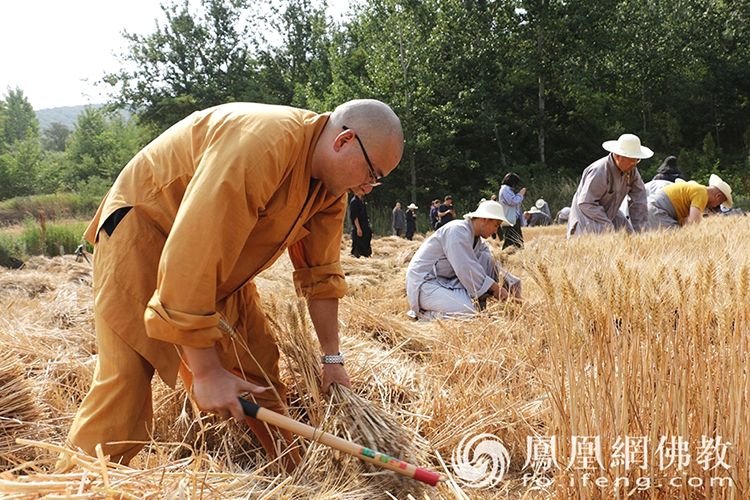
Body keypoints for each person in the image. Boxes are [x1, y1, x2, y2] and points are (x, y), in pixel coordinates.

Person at [57, 99, 404, 472]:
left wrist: (332, 359)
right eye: (372, 173)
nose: (368, 188)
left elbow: (321, 276)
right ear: (344, 141)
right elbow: (194, 250)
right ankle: (76, 484)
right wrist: (205, 371)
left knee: (257, 364)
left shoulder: (329, 190)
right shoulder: (263, 144)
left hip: (222, 265)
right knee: (125, 388)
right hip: (144, 237)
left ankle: (294, 472)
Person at [406, 200, 521, 321]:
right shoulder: (457, 231)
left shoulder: (477, 241)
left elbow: (492, 265)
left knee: (485, 259)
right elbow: (466, 267)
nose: (496, 231)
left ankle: (445, 310)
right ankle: (425, 317)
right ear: (485, 219)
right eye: (496, 225)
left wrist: (513, 290)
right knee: (469, 311)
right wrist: (495, 288)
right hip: (426, 283)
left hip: (445, 282)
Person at [567, 134, 652, 238]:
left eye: (637, 159)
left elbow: (639, 203)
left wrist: (643, 234)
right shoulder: (599, 171)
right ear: (617, 156)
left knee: (629, 237)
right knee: (602, 240)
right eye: (631, 159)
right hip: (587, 217)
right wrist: (607, 226)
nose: (634, 164)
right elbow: (586, 203)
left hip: (610, 214)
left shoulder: (632, 171)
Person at [648, 174, 732, 229]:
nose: (715, 206)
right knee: (677, 242)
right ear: (718, 196)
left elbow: (684, 221)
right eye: (719, 203)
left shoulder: (696, 191)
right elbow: (694, 224)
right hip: (658, 210)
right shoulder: (702, 194)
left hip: (654, 208)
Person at [498, 173, 526, 249]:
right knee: (512, 242)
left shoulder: (505, 189)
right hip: (510, 220)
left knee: (515, 241)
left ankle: (513, 258)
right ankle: (506, 258)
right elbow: (512, 201)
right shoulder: (505, 189)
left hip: (511, 219)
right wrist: (520, 194)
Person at [350, 193, 372, 258]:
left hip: (364, 226)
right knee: (358, 247)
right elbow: (354, 216)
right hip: (358, 227)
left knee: (366, 244)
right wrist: (358, 228)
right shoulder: (354, 201)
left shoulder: (362, 200)